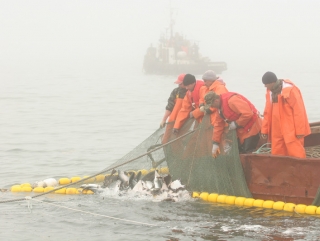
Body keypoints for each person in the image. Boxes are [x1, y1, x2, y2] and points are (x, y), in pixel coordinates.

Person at [260, 71, 310, 158]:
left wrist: (300, 131)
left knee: (296, 152)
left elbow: (299, 111)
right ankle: (281, 170)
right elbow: (267, 112)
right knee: (277, 152)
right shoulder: (269, 92)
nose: (265, 86)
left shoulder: (290, 90)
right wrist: (264, 129)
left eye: (266, 84)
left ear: (272, 83)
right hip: (276, 128)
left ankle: (299, 170)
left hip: (290, 128)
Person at [204, 91, 262, 157]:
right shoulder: (219, 109)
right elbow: (218, 125)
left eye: (212, 105)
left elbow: (248, 114)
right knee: (238, 151)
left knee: (247, 152)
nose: (212, 107)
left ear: (216, 100)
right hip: (242, 130)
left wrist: (236, 124)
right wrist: (215, 143)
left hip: (253, 127)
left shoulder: (232, 100)